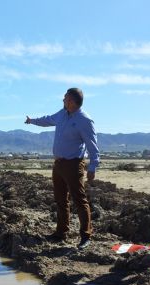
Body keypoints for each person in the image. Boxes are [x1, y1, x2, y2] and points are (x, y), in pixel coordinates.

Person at [25, 88, 100, 250]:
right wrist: (32, 121)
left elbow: (92, 145)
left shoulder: (84, 120)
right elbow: (48, 119)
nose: (63, 100)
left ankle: (86, 236)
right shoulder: (62, 114)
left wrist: (93, 166)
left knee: (79, 199)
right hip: (58, 164)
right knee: (60, 199)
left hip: (74, 164)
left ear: (72, 101)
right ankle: (61, 232)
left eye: (65, 98)